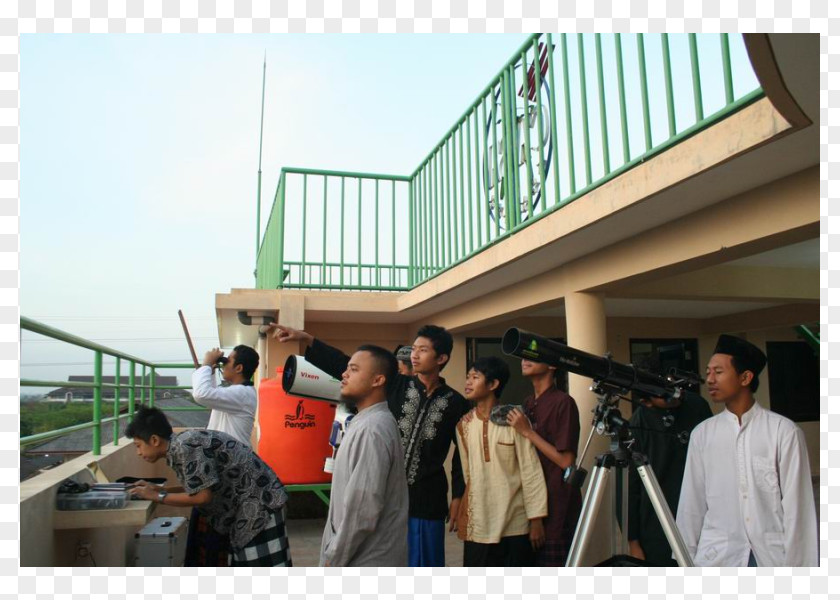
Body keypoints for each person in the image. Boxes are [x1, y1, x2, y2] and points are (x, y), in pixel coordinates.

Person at [268, 322, 470, 567]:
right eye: (414, 348)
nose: (414, 354)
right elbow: (349, 366)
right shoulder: (398, 385)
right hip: (386, 492)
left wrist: (458, 495)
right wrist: (309, 340)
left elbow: (462, 452)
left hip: (428, 498)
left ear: (442, 358)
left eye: (423, 350)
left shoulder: (456, 402)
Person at [676, 334, 818, 567]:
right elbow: (692, 501)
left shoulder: (783, 431)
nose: (709, 379)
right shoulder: (702, 434)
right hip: (718, 555)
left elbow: (798, 508)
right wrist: (684, 558)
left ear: (745, 377)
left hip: (771, 556)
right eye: (708, 371)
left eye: (718, 372)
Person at [126, 406, 292, 567]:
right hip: (255, 501)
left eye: (138, 446)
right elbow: (200, 486)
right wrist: (162, 490)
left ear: (154, 440)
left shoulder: (186, 448)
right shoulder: (182, 445)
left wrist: (157, 497)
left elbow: (203, 497)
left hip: (260, 504)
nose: (138, 453)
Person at [320, 345, 409, 567]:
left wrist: (333, 559)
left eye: (354, 369)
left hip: (365, 559)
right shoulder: (365, 422)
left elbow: (362, 511)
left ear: (377, 380)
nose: (344, 374)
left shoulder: (372, 429)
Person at [455, 357, 548, 567]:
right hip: (478, 526)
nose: (468, 382)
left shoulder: (515, 419)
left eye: (475, 377)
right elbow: (468, 474)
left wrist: (536, 519)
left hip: (515, 524)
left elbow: (530, 469)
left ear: (493, 384)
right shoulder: (463, 426)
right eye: (468, 377)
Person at [626, 353, 713, 566]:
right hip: (657, 526)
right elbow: (632, 488)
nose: (670, 397)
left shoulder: (698, 406)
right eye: (659, 397)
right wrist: (633, 542)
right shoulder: (638, 422)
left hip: (702, 518)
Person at [501, 358, 581, 567]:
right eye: (523, 355)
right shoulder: (528, 403)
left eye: (533, 355)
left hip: (557, 504)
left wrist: (527, 431)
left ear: (553, 364)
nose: (525, 360)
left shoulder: (563, 402)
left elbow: (566, 461)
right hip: (532, 503)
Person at [185, 345, 259, 566]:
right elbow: (211, 395)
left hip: (229, 474)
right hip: (226, 470)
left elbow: (201, 394)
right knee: (212, 536)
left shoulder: (242, 394)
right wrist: (209, 368)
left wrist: (208, 364)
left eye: (227, 362)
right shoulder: (237, 394)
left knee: (215, 537)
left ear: (238, 367)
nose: (223, 365)